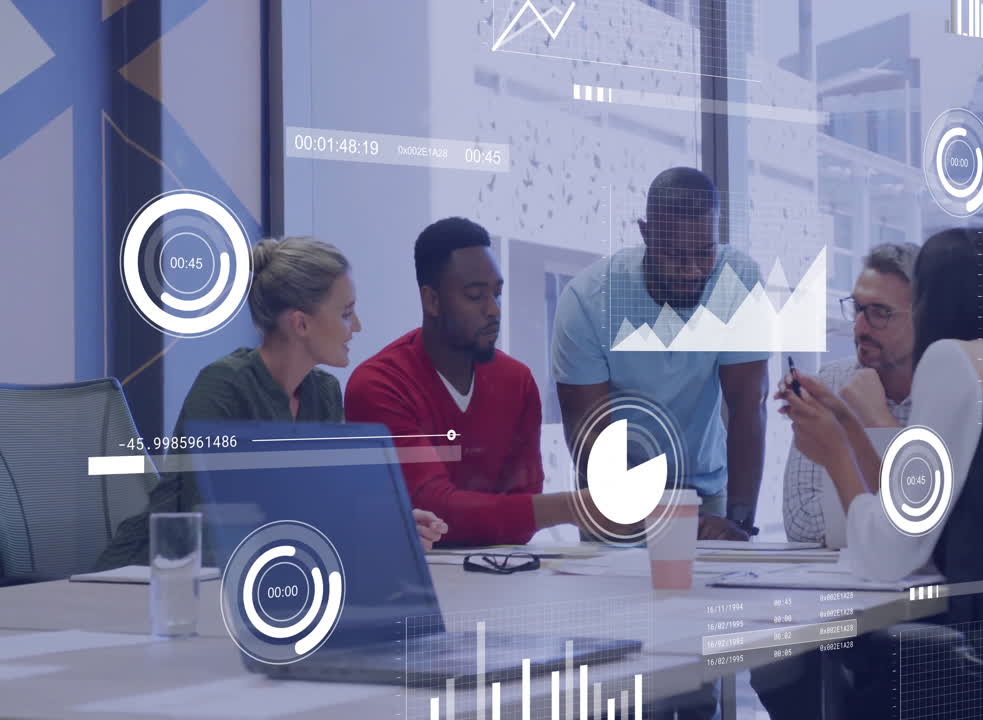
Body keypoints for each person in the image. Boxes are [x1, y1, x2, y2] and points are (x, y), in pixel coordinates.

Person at [756, 229, 983, 719]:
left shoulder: (952, 360)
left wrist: (836, 455)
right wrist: (845, 424)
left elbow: (890, 553)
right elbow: (930, 506)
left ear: (929, 301)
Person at [97, 237, 447, 569]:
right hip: (150, 578)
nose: (356, 326)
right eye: (346, 312)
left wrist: (388, 526)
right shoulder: (224, 386)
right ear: (301, 323)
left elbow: (328, 507)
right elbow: (212, 522)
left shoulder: (323, 393)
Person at [345, 217, 607, 547]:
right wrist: (577, 507)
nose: (493, 310)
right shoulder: (379, 385)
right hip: (415, 585)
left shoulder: (518, 382)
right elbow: (434, 509)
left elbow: (522, 520)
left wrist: (518, 514)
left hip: (501, 578)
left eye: (497, 294)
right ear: (432, 301)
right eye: (474, 296)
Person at [552, 167, 769, 541]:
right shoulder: (587, 300)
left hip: (704, 494)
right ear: (646, 233)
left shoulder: (737, 280)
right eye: (674, 255)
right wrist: (643, 519)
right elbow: (587, 433)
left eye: (704, 254)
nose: (692, 271)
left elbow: (748, 406)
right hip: (614, 498)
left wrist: (739, 522)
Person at [782, 241, 918, 544]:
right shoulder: (830, 382)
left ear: (921, 317)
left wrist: (876, 420)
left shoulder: (948, 391)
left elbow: (927, 525)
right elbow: (802, 519)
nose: (859, 328)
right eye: (857, 308)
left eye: (880, 313)